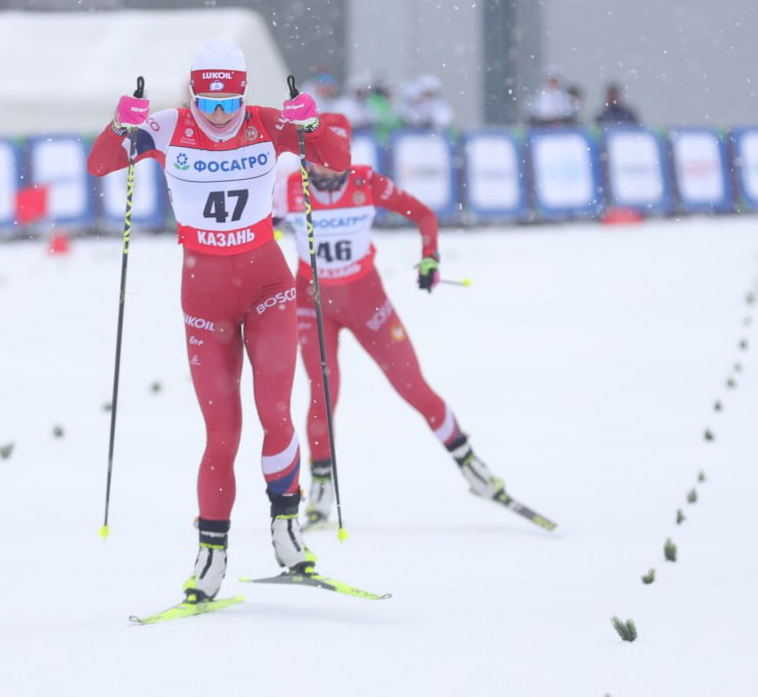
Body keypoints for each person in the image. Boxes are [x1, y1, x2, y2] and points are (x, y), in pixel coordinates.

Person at [86, 40, 351, 603]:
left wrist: (314, 122)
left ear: (243, 90)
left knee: (275, 411)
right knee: (222, 434)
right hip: (204, 302)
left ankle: (286, 527)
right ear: (192, 91)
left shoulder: (266, 122)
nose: (219, 114)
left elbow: (335, 157)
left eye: (229, 99)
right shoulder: (165, 127)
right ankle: (211, 554)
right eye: (207, 100)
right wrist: (118, 126)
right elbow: (99, 164)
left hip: (268, 288)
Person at [280, 112, 508, 531]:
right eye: (316, 155)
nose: (325, 165)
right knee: (323, 393)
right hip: (312, 304)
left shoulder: (366, 182)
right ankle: (321, 491)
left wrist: (429, 258)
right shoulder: (288, 189)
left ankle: (471, 466)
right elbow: (250, 228)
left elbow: (423, 215)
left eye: (334, 156)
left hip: (368, 303)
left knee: (412, 385)